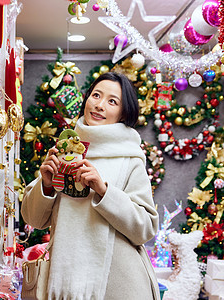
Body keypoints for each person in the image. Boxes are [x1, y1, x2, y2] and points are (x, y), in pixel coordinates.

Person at [21, 72, 160, 299]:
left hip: (118, 286)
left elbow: (145, 228)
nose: (100, 105)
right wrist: (45, 185)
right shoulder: (66, 150)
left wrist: (104, 191)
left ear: (123, 112)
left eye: (112, 101)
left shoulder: (130, 158)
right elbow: (33, 220)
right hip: (62, 285)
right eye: (96, 95)